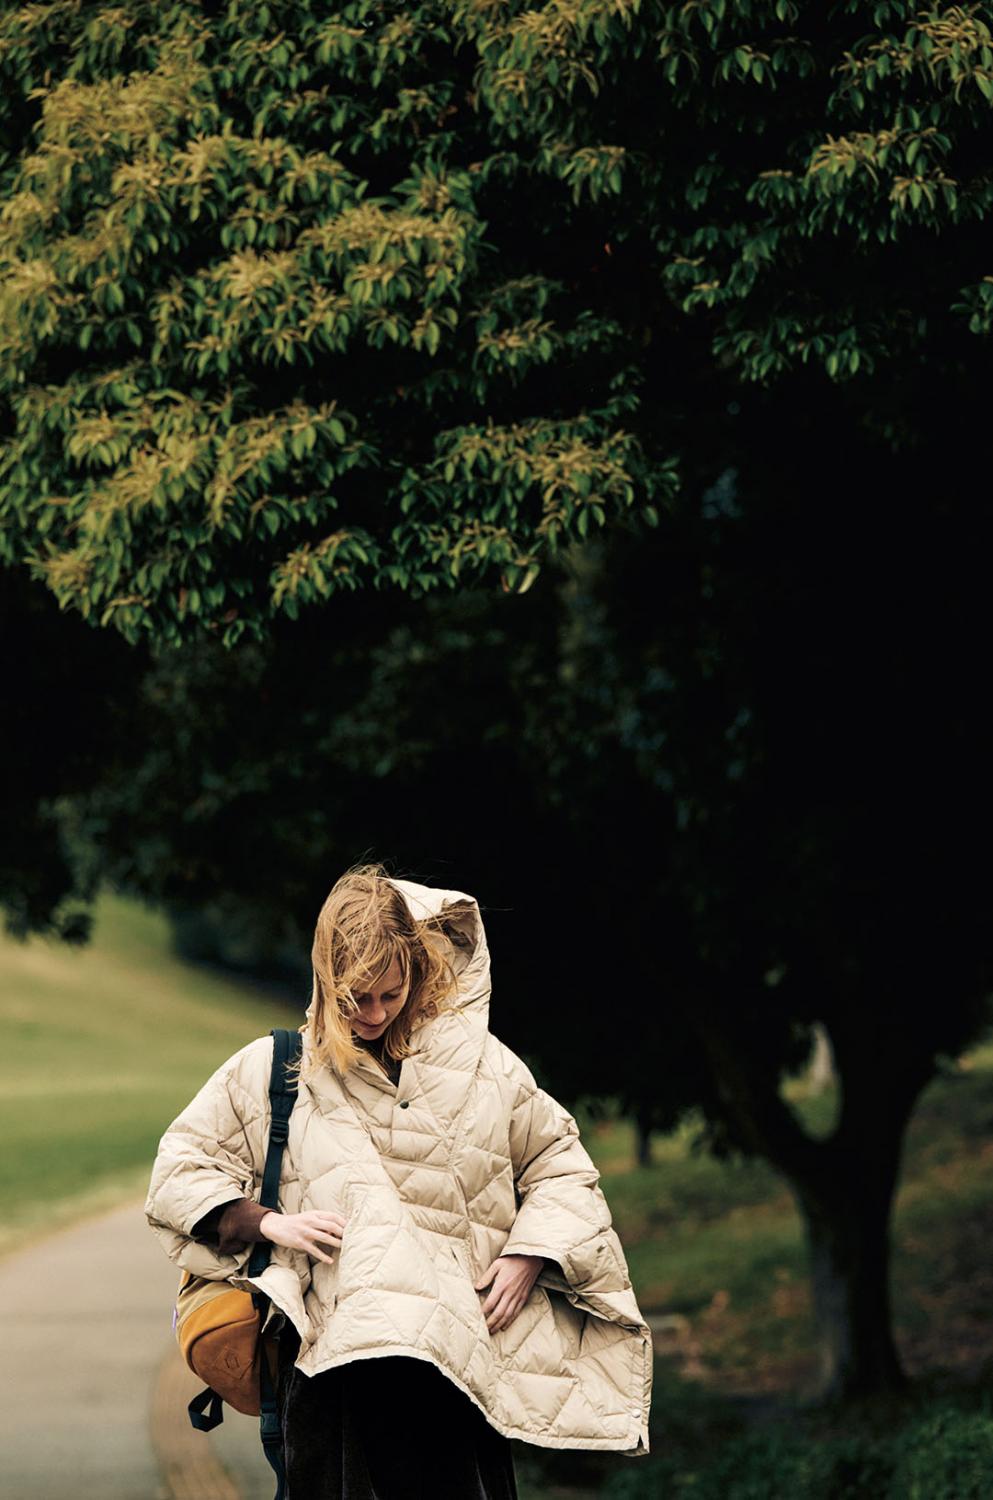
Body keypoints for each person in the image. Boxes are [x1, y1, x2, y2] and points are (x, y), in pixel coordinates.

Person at [145, 864, 652, 1498]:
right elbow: (178, 1172)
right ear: (327, 981)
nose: (374, 1014)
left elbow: (562, 1165)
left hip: (461, 1379)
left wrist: (527, 1254)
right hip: (336, 1387)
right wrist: (267, 1222)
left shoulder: (485, 1068)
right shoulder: (276, 1069)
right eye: (356, 998)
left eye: (390, 993)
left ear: (416, 972)